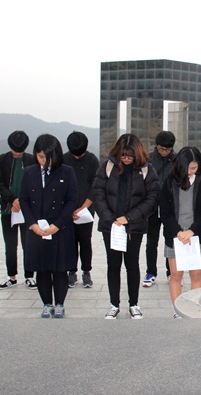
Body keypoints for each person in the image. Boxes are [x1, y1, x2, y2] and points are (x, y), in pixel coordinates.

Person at [93, 134, 159, 319]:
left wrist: (129, 218)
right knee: (113, 265)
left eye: (130, 156)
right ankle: (114, 304)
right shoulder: (107, 167)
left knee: (132, 265)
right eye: (123, 155)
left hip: (133, 227)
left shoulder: (147, 169)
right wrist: (109, 218)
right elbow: (98, 193)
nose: (127, 159)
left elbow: (152, 198)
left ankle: (134, 304)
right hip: (112, 226)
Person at [20, 134, 78, 318]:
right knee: (42, 268)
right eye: (40, 157)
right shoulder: (29, 172)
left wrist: (57, 225)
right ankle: (47, 304)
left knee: (60, 268)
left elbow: (72, 200)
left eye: (46, 157)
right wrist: (32, 224)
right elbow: (24, 200)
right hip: (37, 229)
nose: (43, 161)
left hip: (59, 229)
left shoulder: (66, 172)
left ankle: (60, 304)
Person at [161, 146, 201, 318]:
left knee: (196, 273)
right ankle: (178, 311)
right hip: (175, 235)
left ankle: (193, 309)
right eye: (190, 168)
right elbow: (165, 212)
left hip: (196, 235)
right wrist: (178, 232)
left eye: (195, 167)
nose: (193, 171)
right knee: (176, 274)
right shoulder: (169, 182)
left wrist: (191, 231)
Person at [0, 131, 37, 290]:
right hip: (8, 209)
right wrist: (12, 199)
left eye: (20, 151)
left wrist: (22, 201)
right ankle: (11, 276)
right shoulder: (2, 159)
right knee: (10, 245)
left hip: (27, 209)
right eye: (15, 151)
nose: (18, 153)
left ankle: (30, 276)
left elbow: (34, 184)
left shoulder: (30, 160)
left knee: (29, 244)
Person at [64, 131, 100, 289]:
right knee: (69, 242)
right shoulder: (64, 159)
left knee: (85, 241)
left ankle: (86, 271)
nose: (77, 158)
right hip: (67, 210)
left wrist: (83, 207)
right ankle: (71, 271)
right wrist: (70, 209)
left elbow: (95, 186)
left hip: (86, 210)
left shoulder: (92, 160)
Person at [143, 130, 177, 287]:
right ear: (157, 146)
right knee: (152, 241)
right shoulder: (147, 159)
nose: (164, 152)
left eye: (167, 149)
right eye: (162, 149)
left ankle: (171, 272)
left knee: (171, 240)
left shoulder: (177, 160)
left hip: (171, 207)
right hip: (152, 207)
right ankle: (151, 272)